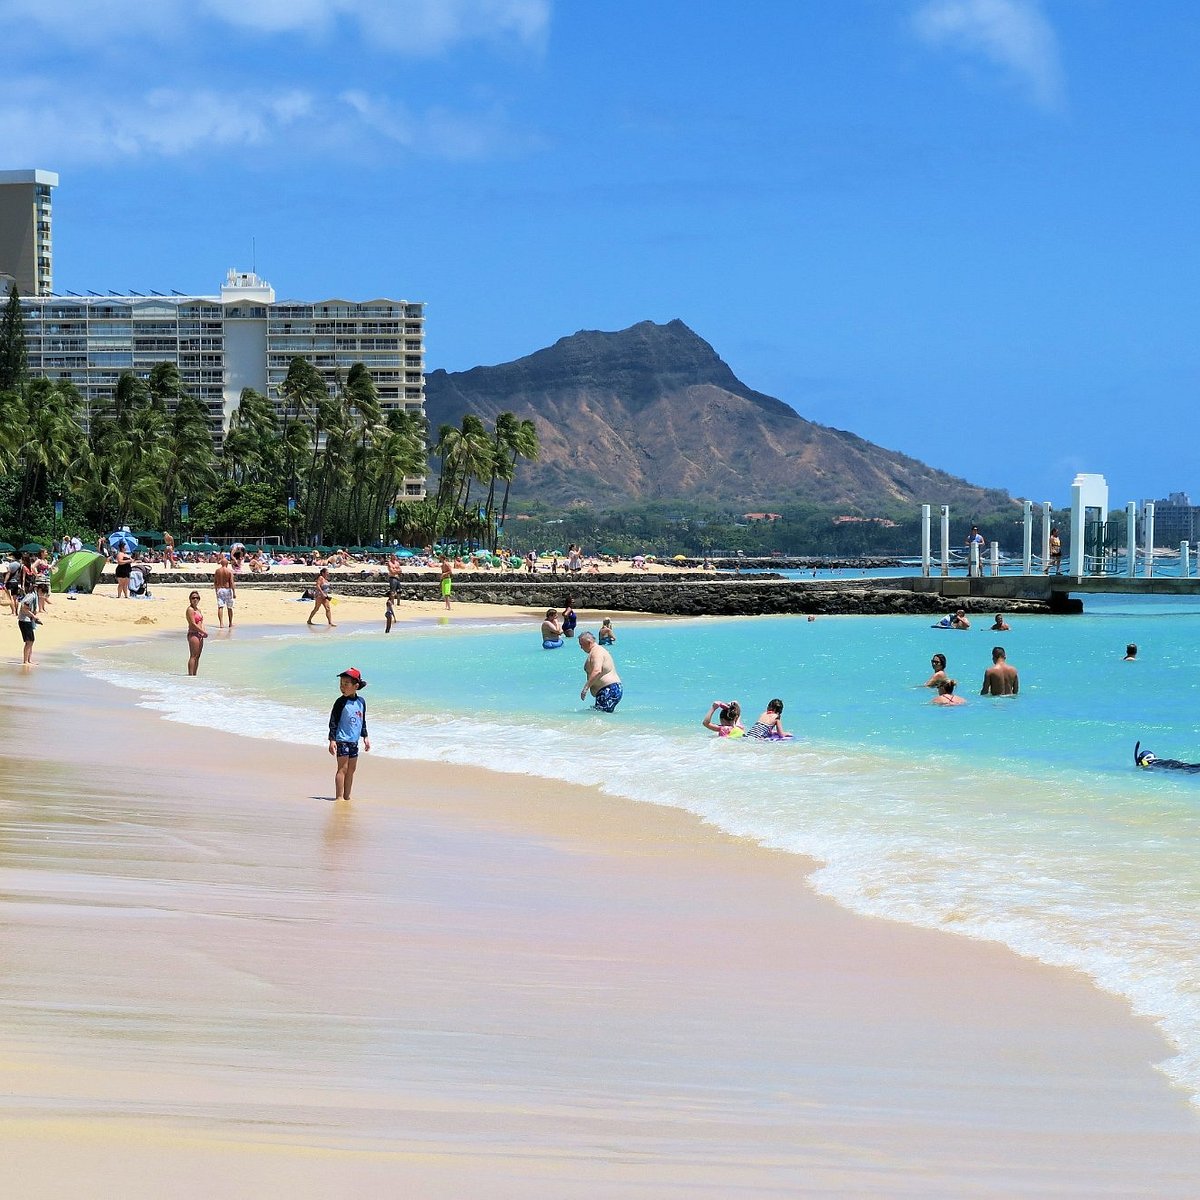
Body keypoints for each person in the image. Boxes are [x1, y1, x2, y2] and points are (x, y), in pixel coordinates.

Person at [328, 668, 370, 802]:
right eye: (341, 684)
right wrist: (332, 739)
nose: (342, 687)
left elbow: (362, 721)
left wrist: (365, 737)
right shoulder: (340, 702)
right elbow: (333, 721)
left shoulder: (361, 702)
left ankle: (347, 796)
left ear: (356, 686)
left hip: (354, 741)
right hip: (342, 739)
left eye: (346, 684)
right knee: (343, 768)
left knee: (351, 770)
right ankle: (339, 797)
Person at [577, 630, 622, 712]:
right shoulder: (595, 651)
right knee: (598, 715)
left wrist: (585, 688)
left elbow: (597, 670)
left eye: (581, 645)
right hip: (608, 690)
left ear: (589, 642)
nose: (581, 647)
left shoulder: (597, 652)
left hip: (609, 689)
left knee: (601, 716)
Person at [16, 581, 50, 665]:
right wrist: (33, 616)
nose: (42, 594)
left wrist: (35, 619)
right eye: (42, 592)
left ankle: (29, 660)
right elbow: (24, 608)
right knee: (29, 641)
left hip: (29, 620)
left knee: (31, 640)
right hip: (24, 621)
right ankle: (25, 661)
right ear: (38, 589)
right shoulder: (31, 596)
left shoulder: (35, 596)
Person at [185, 590, 207, 676]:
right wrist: (202, 631)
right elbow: (193, 624)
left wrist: (203, 631)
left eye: (197, 598)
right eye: (193, 598)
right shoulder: (190, 610)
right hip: (193, 634)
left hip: (200, 634)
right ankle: (190, 675)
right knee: (193, 656)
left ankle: (194, 674)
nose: (195, 599)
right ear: (190, 599)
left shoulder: (198, 610)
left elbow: (201, 622)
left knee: (197, 656)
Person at [213, 554, 236, 628]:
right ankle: (230, 623)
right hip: (227, 589)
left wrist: (216, 591)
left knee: (220, 606)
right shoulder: (229, 571)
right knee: (229, 607)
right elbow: (231, 582)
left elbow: (215, 582)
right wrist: (234, 592)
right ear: (227, 564)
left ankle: (221, 624)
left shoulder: (217, 571)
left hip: (220, 589)